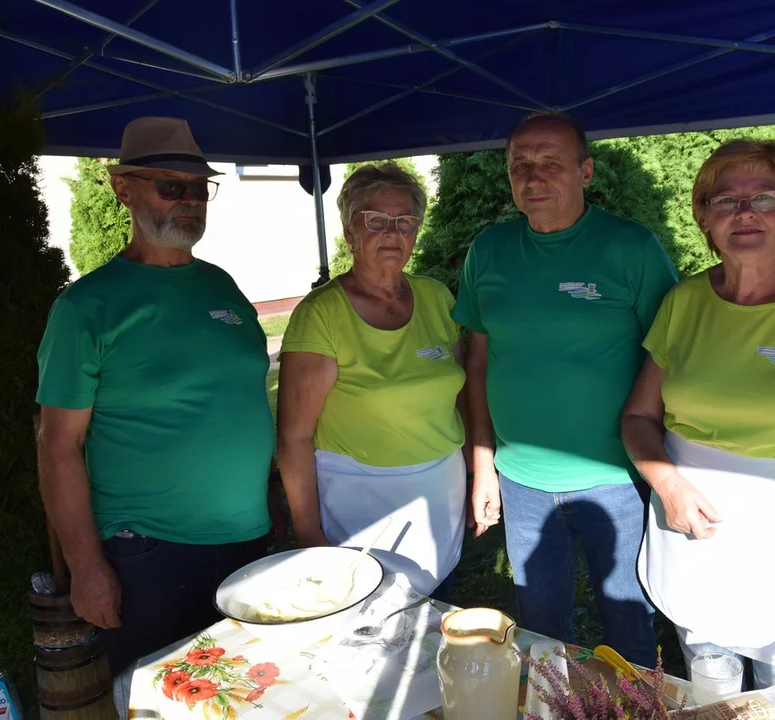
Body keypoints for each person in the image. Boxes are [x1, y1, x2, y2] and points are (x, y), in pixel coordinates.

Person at [36, 117, 279, 713]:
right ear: (123, 189)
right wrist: (86, 565)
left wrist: (274, 511)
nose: (190, 201)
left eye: (199, 188)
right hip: (148, 551)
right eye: (171, 187)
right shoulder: (86, 307)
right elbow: (57, 446)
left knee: (253, 698)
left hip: (248, 539)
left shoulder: (221, 286)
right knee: (163, 704)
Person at [623, 139, 775, 689]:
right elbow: (638, 418)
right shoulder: (684, 301)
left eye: (764, 197)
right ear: (705, 219)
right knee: (709, 673)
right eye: (724, 201)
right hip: (693, 520)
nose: (745, 214)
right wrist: (668, 486)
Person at [455, 111, 677, 668]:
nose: (533, 176)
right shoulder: (489, 251)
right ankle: (552, 705)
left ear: (586, 171)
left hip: (617, 479)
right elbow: (476, 363)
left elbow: (671, 355)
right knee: (538, 629)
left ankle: (633, 706)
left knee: (628, 621)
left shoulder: (632, 249)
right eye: (519, 165)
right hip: (521, 479)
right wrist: (483, 463)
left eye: (550, 162)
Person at [278, 163, 467, 598]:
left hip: (442, 492)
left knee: (436, 621)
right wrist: (309, 538)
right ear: (350, 230)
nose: (392, 232)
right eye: (376, 220)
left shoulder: (437, 296)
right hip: (359, 503)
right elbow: (293, 438)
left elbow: (458, 393)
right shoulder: (321, 314)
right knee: (365, 625)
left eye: (405, 222)